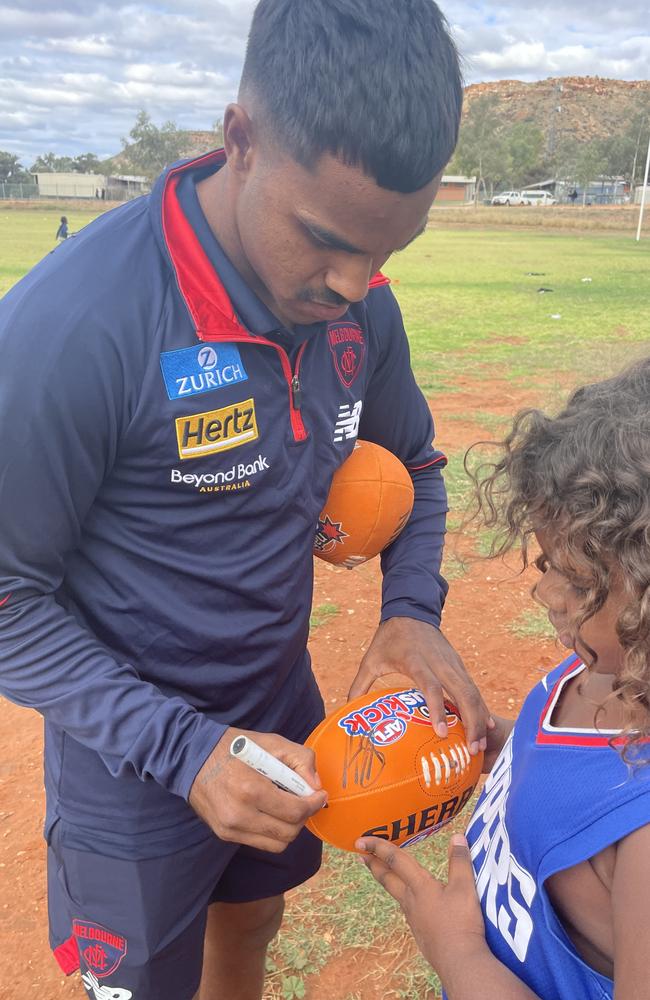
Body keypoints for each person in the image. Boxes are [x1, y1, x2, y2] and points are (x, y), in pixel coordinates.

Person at [0, 2, 491, 999]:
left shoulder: (358, 308)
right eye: (323, 238)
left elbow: (418, 466)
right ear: (240, 139)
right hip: (129, 768)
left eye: (389, 248)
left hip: (284, 719)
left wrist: (407, 612)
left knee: (254, 917)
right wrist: (184, 750)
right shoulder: (76, 327)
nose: (352, 282)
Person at [359, 358, 650, 999]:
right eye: (547, 562)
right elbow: (583, 766)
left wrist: (457, 952)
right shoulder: (604, 669)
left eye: (578, 582)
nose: (545, 591)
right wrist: (510, 743)